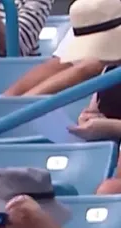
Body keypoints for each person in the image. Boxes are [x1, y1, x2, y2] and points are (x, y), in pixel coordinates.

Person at [51, 0, 121, 194]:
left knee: (108, 191)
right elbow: (95, 109)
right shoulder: (109, 69)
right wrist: (89, 118)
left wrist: (110, 127)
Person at [3, 29, 105, 96]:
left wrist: (21, 106)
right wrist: (7, 101)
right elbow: (61, 64)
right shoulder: (90, 9)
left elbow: (86, 68)